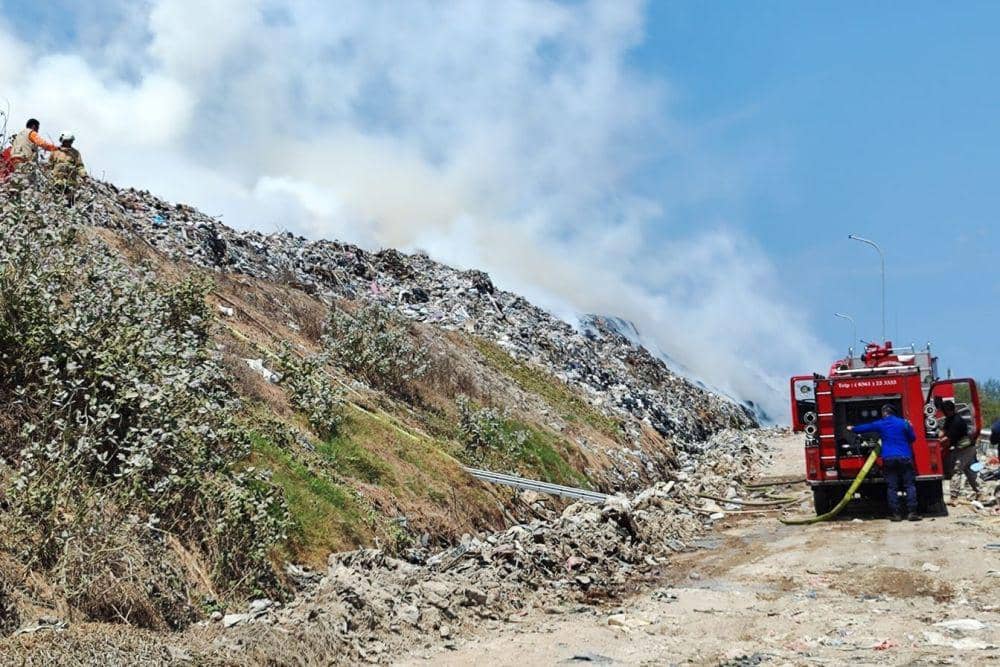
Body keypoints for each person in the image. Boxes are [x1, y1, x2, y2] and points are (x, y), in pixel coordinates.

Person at [848, 404, 920, 521]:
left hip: (889, 458)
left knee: (892, 487)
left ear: (884, 413)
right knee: (909, 485)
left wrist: (853, 428)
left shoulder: (881, 423)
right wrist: (910, 427)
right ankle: (912, 513)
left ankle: (896, 514)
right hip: (904, 457)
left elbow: (867, 427)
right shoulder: (904, 423)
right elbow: (912, 438)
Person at [941, 400, 980, 501]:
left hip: (966, 448)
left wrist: (937, 442)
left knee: (956, 469)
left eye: (944, 411)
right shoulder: (949, 419)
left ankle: (954, 497)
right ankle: (980, 491)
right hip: (963, 447)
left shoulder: (957, 421)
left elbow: (947, 438)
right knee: (969, 471)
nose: (943, 413)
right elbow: (943, 431)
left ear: (948, 410)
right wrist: (937, 437)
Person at [48, 131, 87, 204]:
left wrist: (84, 176)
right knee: (56, 201)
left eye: (70, 141)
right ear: (63, 141)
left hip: (70, 183)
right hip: (56, 181)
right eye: (67, 141)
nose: (69, 143)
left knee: (69, 203)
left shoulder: (75, 153)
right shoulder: (55, 151)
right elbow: (50, 165)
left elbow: (79, 166)